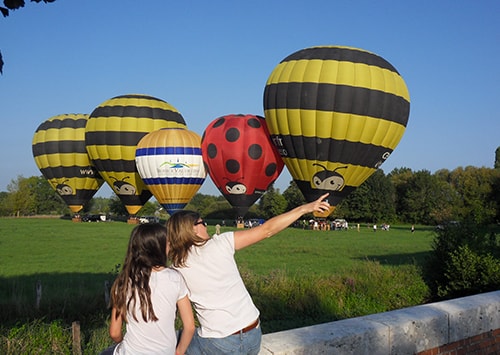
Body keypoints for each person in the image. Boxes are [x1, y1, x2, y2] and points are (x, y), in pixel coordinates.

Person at [166, 193, 331, 354]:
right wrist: (304, 209)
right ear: (193, 229)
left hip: (219, 342)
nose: (206, 225)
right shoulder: (222, 243)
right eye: (202, 223)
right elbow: (267, 230)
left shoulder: (177, 268)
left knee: (179, 340)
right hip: (253, 334)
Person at [102, 223, 195, 355]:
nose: (170, 246)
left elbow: (114, 332)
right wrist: (178, 352)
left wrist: (123, 344)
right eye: (168, 243)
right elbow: (190, 327)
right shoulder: (176, 279)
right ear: (159, 248)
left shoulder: (123, 282)